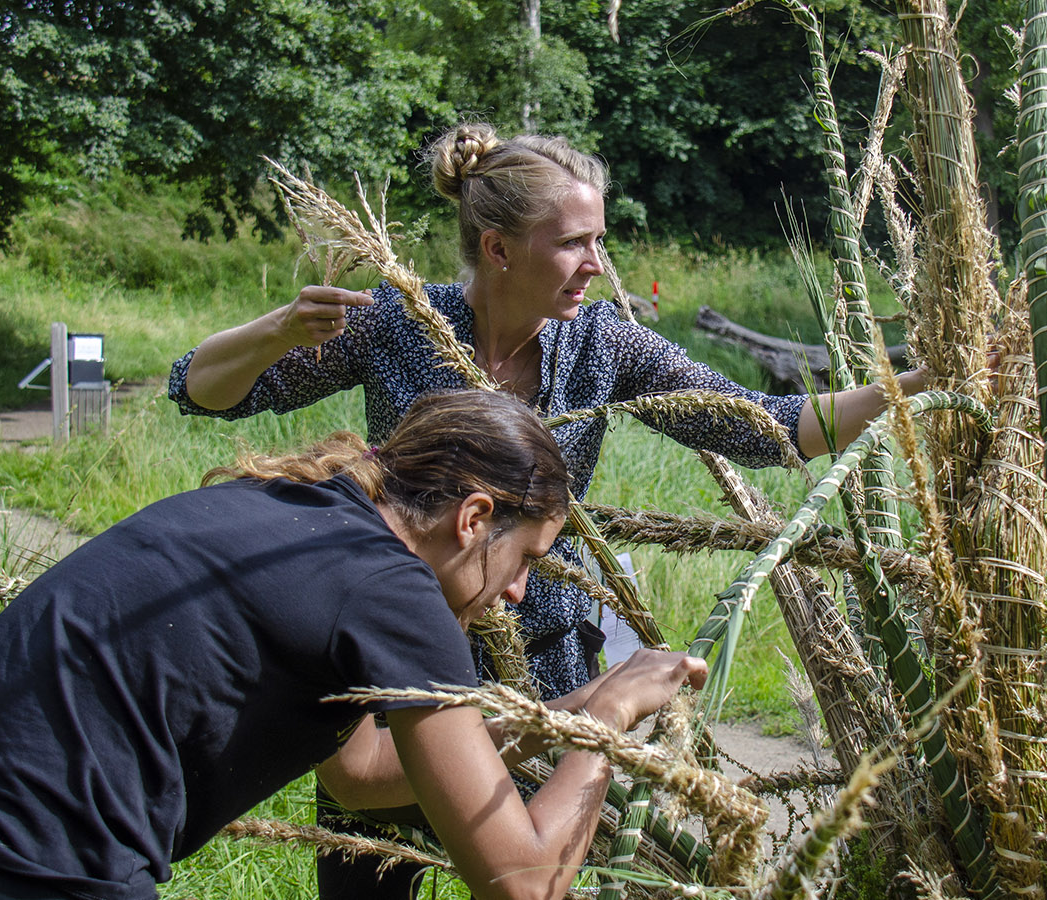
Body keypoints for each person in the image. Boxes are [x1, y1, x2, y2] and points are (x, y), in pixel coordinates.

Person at [167, 121, 930, 897]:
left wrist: (916, 386)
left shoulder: (605, 344)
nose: (596, 265)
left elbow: (767, 427)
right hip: (393, 656)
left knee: (535, 877)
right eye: (574, 244)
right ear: (498, 249)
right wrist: (277, 330)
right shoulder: (397, 323)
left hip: (547, 664)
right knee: (369, 883)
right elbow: (199, 391)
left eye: (598, 240)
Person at [0, 390, 708, 900]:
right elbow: (522, 884)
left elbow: (364, 772)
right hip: (20, 870)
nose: (519, 591)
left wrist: (556, 718)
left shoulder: (298, 516)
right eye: (525, 559)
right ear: (475, 517)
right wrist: (607, 719)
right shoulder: (394, 586)